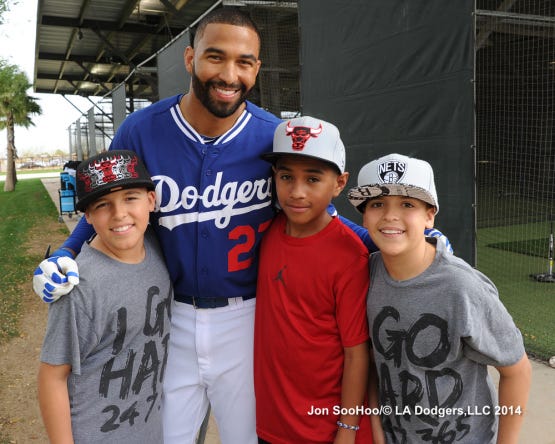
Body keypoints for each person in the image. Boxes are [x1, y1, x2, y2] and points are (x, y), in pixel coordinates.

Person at [31, 8, 451, 443]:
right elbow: (108, 200)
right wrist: (68, 251)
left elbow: (315, 210)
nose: (229, 74)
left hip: (248, 318)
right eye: (216, 57)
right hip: (170, 315)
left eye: (244, 62)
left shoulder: (273, 135)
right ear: (191, 59)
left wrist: (390, 239)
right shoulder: (142, 128)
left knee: (248, 437)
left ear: (256, 68)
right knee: (166, 435)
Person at [347, 153, 532, 443]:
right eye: (377, 204)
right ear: (364, 215)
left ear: (429, 214)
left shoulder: (462, 286)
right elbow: (373, 361)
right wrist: (377, 428)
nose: (390, 215)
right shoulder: (365, 274)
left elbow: (517, 370)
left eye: (407, 204)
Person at [254, 116, 376, 444]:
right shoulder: (267, 232)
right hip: (272, 422)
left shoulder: (350, 255)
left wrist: (348, 429)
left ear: (339, 183)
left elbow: (356, 353)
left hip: (325, 429)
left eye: (312, 179)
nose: (296, 192)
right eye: (285, 177)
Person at [38, 150, 172, 443]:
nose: (119, 214)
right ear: (87, 216)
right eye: (102, 204)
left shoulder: (157, 247)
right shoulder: (80, 287)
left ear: (151, 200)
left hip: (148, 429)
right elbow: (52, 377)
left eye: (130, 198)